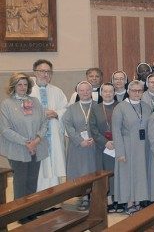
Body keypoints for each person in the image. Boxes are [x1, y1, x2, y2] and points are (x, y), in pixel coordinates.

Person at [0, 72, 48, 222]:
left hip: (36, 147)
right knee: (20, 181)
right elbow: (5, 129)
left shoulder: (35, 101)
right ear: (13, 86)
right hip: (18, 148)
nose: (22, 87)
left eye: (25, 84)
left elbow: (44, 122)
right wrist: (26, 143)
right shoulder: (6, 104)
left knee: (32, 180)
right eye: (19, 84)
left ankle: (31, 210)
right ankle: (20, 213)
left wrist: (37, 140)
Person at [112, 80, 152, 215]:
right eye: (134, 90)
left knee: (140, 174)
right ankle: (129, 203)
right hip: (127, 147)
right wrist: (120, 152)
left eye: (139, 91)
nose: (137, 93)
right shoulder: (120, 107)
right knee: (128, 174)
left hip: (143, 147)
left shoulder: (146, 107)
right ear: (128, 92)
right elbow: (116, 131)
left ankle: (138, 201)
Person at [29, 59, 66, 191]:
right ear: (35, 72)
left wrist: (56, 113)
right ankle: (37, 200)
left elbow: (65, 110)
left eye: (48, 72)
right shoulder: (28, 92)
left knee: (53, 166)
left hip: (53, 137)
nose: (45, 74)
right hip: (35, 138)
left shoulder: (57, 91)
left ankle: (54, 200)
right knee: (37, 170)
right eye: (42, 71)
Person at [62, 81, 99, 211]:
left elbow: (103, 124)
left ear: (91, 92)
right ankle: (83, 198)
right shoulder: (71, 108)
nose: (85, 93)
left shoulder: (98, 106)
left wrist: (96, 138)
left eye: (87, 90)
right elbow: (68, 125)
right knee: (81, 172)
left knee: (93, 171)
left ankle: (94, 197)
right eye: (82, 90)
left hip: (95, 145)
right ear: (77, 92)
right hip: (78, 146)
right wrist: (79, 140)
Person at [91, 82, 119, 213]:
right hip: (102, 147)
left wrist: (116, 141)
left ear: (114, 93)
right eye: (105, 91)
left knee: (117, 173)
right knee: (104, 173)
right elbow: (93, 128)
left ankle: (118, 198)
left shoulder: (120, 106)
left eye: (110, 91)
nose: (108, 94)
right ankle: (107, 199)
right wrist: (105, 142)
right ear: (101, 93)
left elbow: (125, 126)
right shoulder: (95, 108)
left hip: (118, 146)